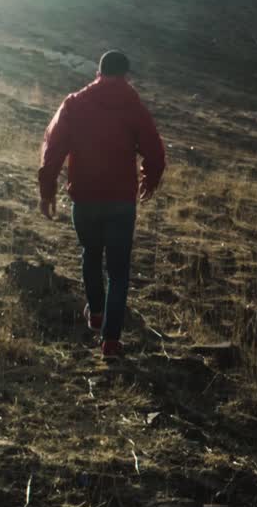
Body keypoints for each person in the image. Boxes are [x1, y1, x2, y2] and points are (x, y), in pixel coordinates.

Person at [37, 50, 166, 358]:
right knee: (119, 272)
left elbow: (53, 149)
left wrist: (47, 191)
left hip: (85, 198)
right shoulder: (133, 107)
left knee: (91, 255)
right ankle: (111, 340)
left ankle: (96, 313)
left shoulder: (74, 104)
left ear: (98, 71)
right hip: (121, 201)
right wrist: (148, 180)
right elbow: (155, 152)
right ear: (126, 74)